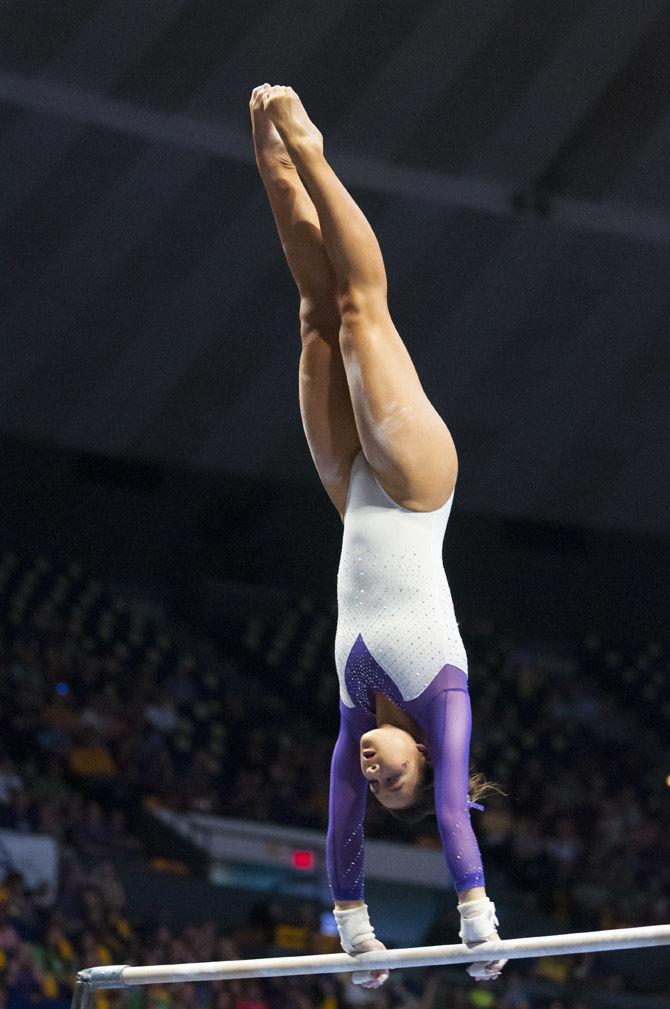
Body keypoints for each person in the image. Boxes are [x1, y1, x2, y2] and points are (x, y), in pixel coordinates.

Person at [249, 84, 506, 987]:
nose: (375, 769)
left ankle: (273, 161)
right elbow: (449, 808)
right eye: (395, 778)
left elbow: (340, 824)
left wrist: (355, 934)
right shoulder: (445, 703)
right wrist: (477, 919)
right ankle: (315, 149)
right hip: (417, 486)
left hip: (354, 494)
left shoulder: (358, 711)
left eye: (381, 781)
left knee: (317, 320)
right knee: (363, 310)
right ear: (426, 760)